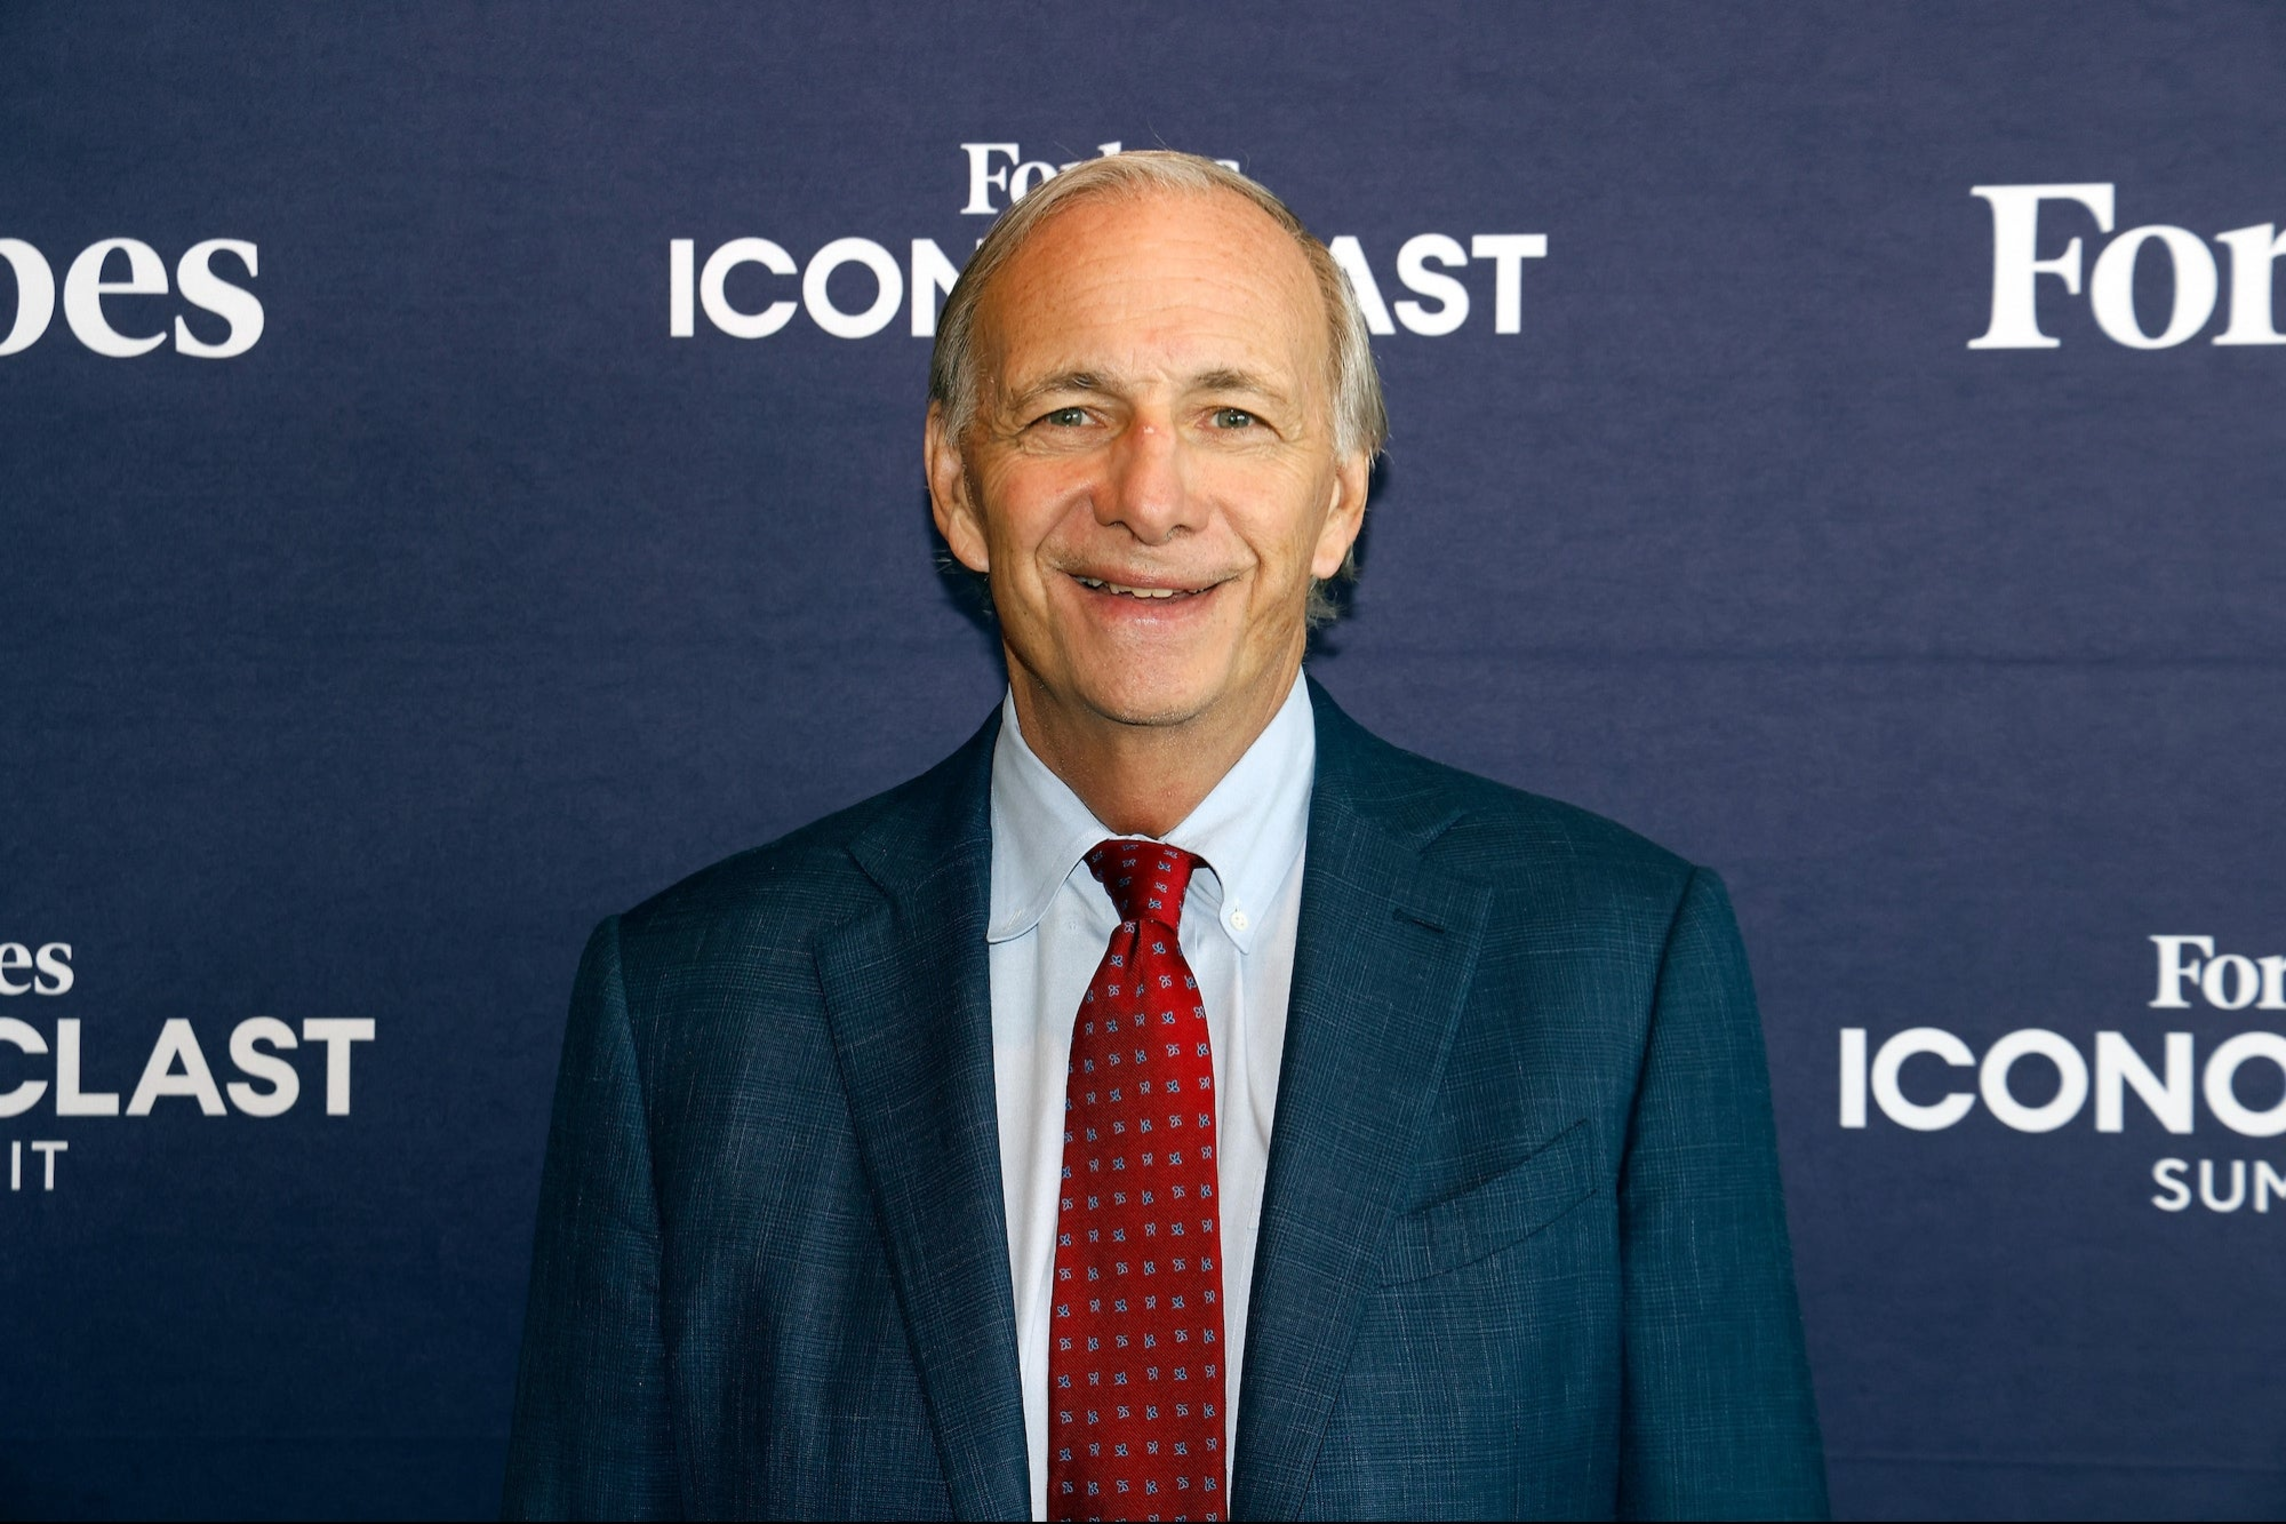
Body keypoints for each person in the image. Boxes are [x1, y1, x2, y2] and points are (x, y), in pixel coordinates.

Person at [504, 150, 1826, 1521]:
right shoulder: (689, 1003)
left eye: (1232, 416)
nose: (1149, 495)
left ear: (1340, 499)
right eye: (1070, 413)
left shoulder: (1615, 964)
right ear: (956, 485)